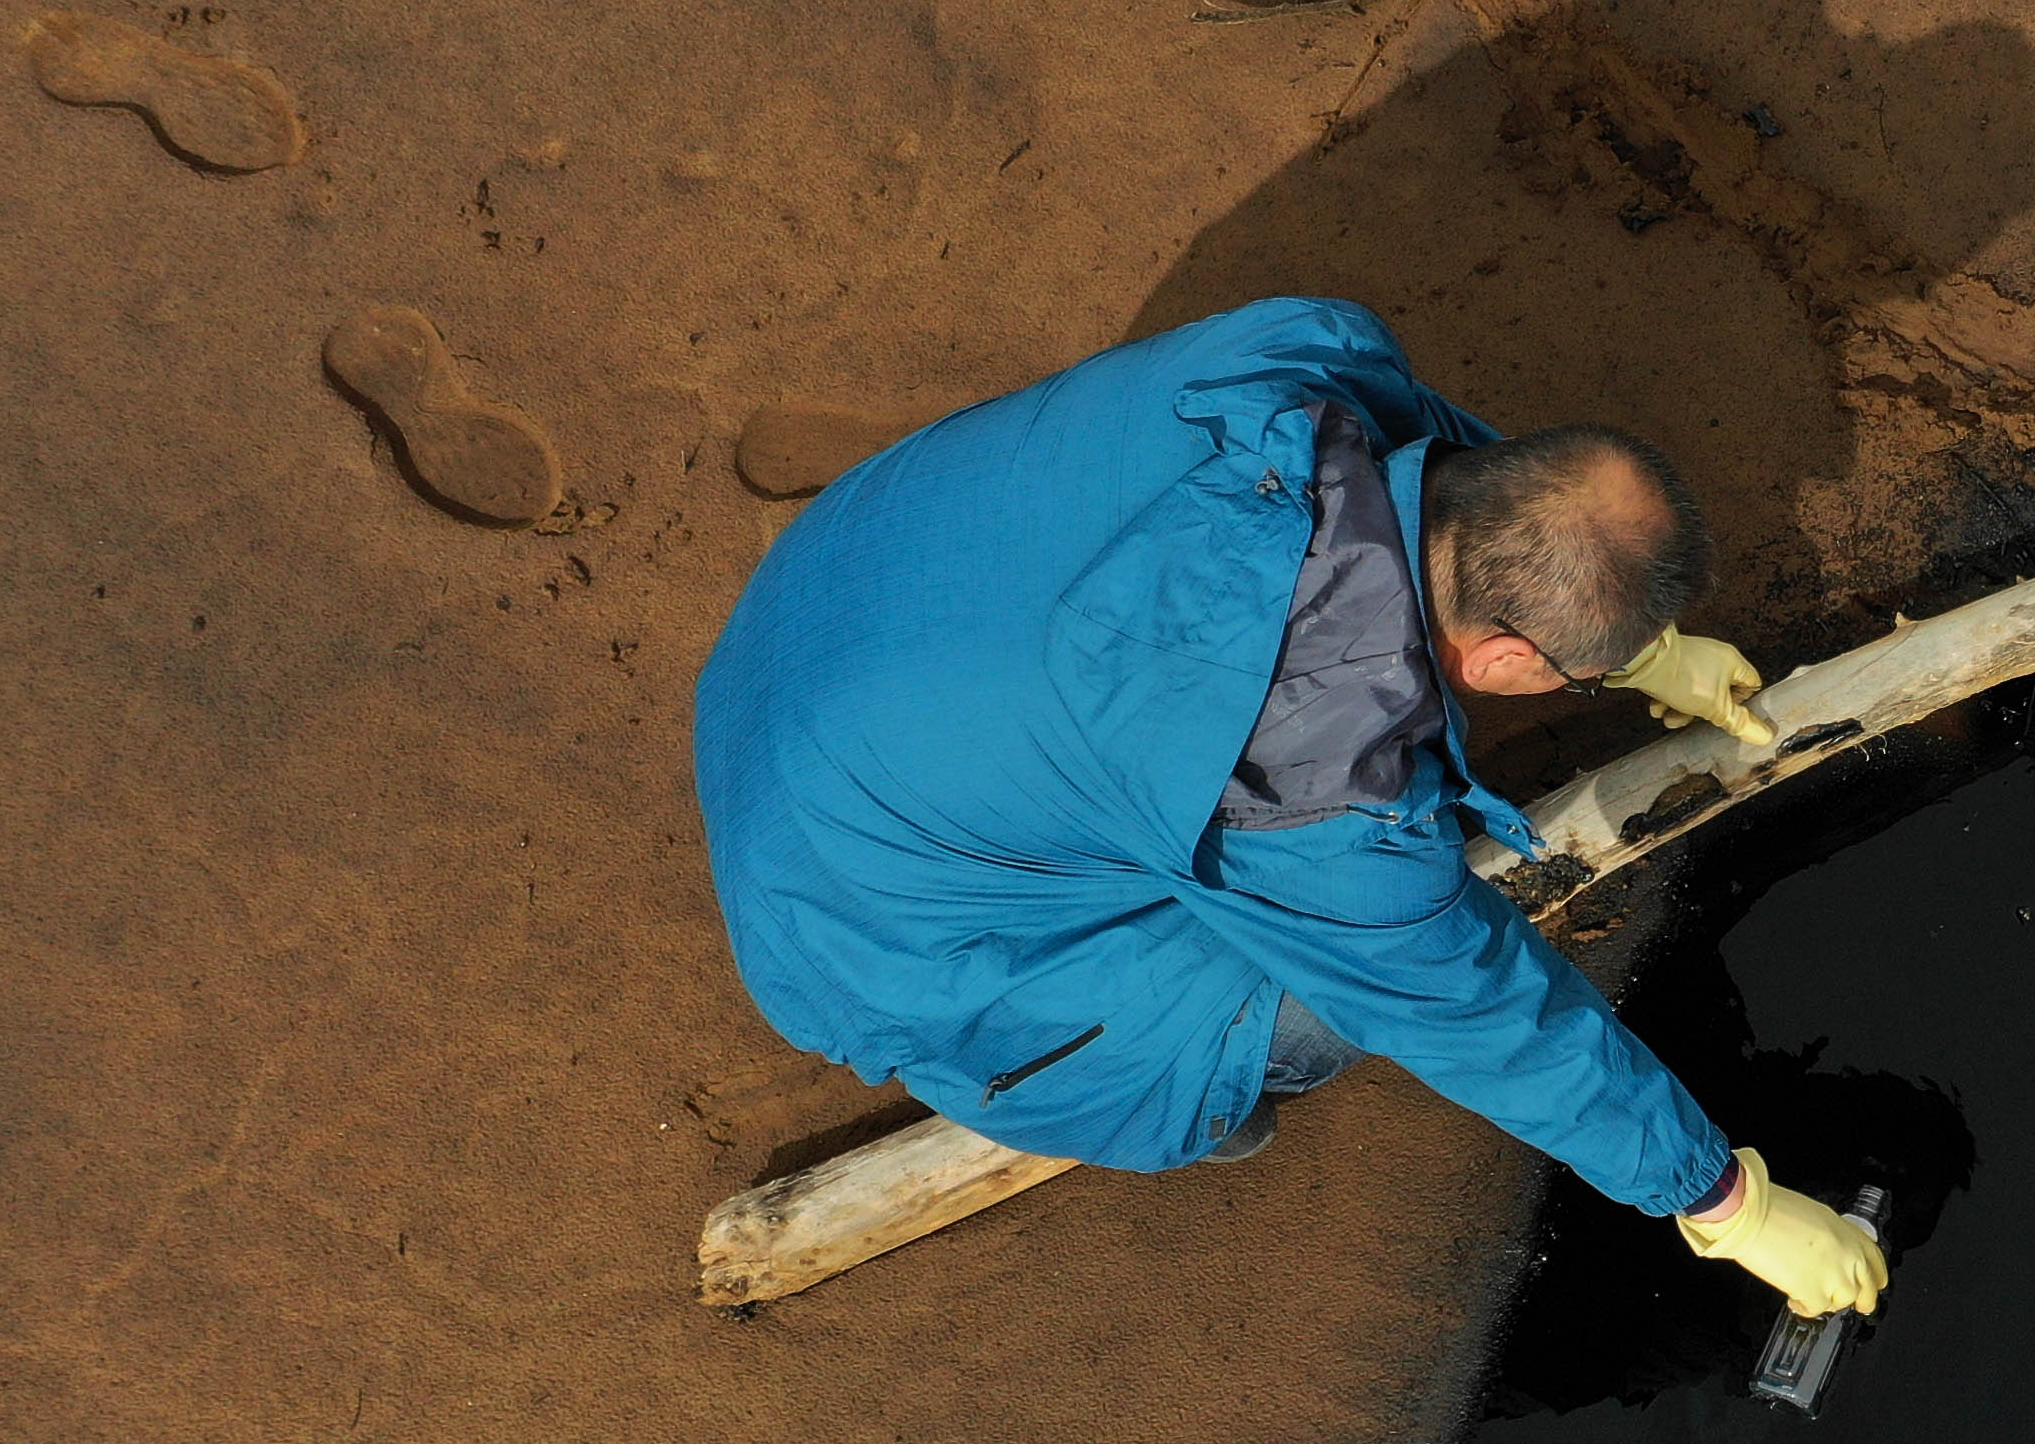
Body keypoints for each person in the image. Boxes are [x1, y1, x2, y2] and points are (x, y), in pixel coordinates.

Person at [687, 297, 1883, 1314]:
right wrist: (1728, 1204)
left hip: (819, 603)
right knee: (1342, 996)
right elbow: (1477, 1016)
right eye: (1565, 669)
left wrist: (1637, 654)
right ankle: (1175, 1096)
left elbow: (1467, 483)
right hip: (849, 927)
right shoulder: (1307, 781)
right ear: (1516, 662)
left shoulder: (1313, 348)